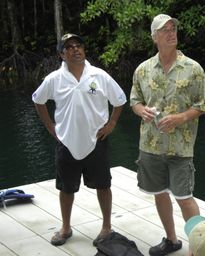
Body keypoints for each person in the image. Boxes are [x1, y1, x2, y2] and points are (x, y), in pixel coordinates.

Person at [32, 33, 126, 246]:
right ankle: (65, 228)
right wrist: (49, 126)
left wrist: (111, 124)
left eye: (79, 45)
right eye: (69, 47)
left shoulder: (99, 75)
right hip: (66, 141)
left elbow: (120, 99)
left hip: (96, 140)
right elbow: (38, 100)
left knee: (103, 185)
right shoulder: (54, 79)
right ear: (62, 54)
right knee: (66, 188)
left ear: (84, 50)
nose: (76, 49)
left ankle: (106, 226)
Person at [129, 14, 205, 256]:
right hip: (151, 146)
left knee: (185, 197)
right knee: (159, 194)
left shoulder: (193, 69)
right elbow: (134, 100)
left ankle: (198, 247)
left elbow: (203, 105)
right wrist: (141, 110)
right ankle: (172, 240)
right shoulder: (142, 70)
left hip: (181, 147)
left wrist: (181, 118)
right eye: (165, 29)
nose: (171, 32)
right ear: (154, 37)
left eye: (173, 28)